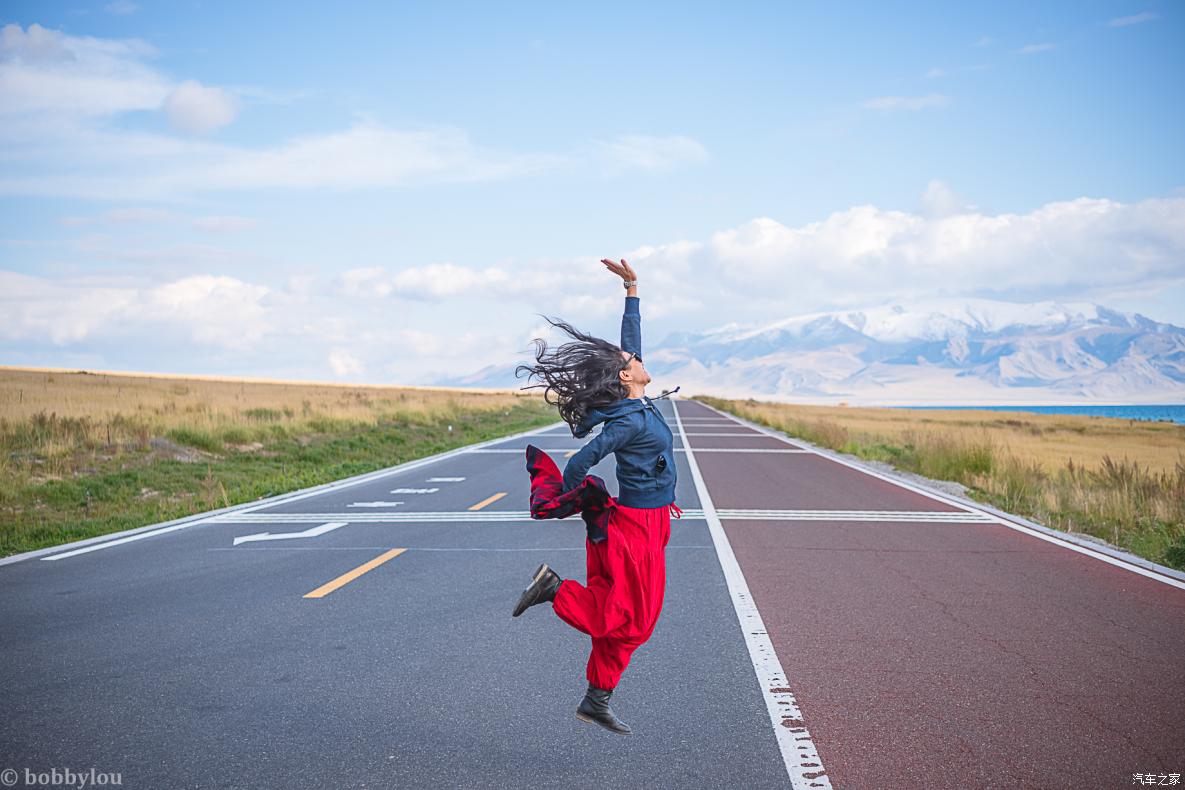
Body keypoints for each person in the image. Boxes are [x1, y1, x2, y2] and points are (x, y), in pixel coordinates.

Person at [511, 257, 681, 735]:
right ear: (628, 377)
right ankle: (556, 590)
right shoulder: (628, 420)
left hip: (654, 520)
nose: (639, 359)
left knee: (624, 612)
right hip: (637, 526)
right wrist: (564, 498)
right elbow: (581, 461)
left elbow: (630, 344)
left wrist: (632, 290)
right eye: (633, 362)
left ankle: (596, 699)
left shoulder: (638, 398)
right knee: (634, 620)